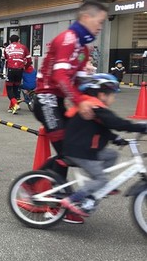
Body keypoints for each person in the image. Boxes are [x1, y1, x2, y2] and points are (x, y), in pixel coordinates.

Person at [33, 0, 109, 223]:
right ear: (86, 17)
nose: (100, 27)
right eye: (100, 21)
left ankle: (44, 190)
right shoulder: (68, 39)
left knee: (72, 152)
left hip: (58, 103)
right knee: (68, 152)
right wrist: (79, 101)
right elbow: (60, 77)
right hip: (46, 101)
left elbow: (75, 80)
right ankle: (52, 203)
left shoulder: (82, 48)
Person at [60, 74, 147, 220]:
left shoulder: (93, 108)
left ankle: (96, 184)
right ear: (102, 95)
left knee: (111, 155)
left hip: (85, 148)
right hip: (79, 151)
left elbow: (102, 128)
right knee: (101, 180)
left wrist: (117, 139)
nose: (114, 99)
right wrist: (141, 127)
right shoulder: (94, 106)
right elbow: (116, 123)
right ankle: (73, 199)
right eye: (113, 95)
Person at [3, 35, 32, 114]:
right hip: (20, 70)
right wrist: (25, 67)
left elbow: (6, 59)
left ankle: (15, 104)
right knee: (16, 88)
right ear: (19, 40)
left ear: (9, 41)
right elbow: (29, 60)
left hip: (10, 69)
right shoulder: (24, 47)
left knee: (9, 88)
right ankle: (11, 107)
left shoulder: (7, 48)